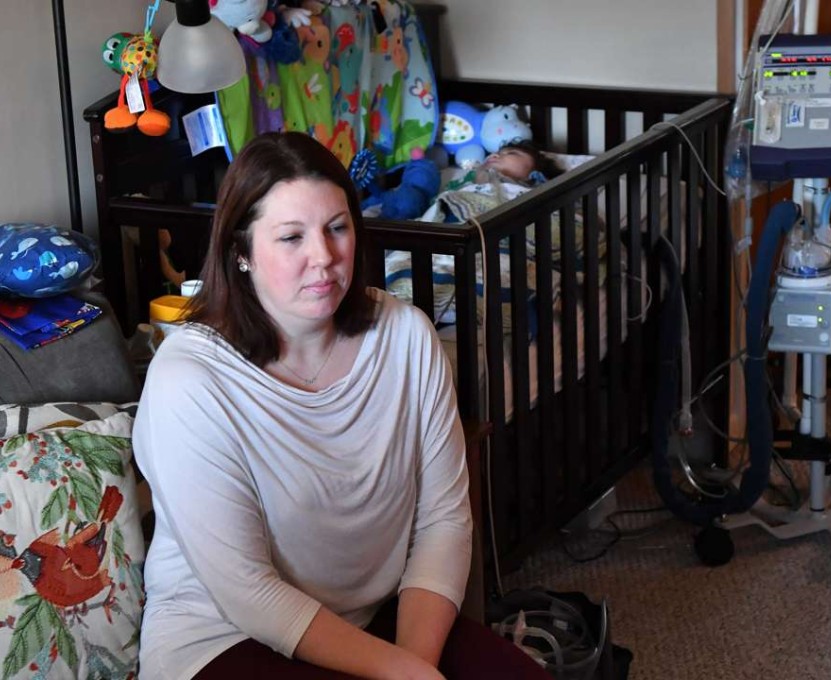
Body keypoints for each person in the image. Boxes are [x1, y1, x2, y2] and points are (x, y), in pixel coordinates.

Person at [132, 131, 551, 679]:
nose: (324, 258)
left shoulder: (406, 336)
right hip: (225, 636)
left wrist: (413, 665)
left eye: (336, 228)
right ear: (241, 253)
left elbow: (443, 521)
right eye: (290, 238)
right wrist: (404, 675)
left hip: (374, 620)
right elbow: (248, 591)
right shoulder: (188, 381)